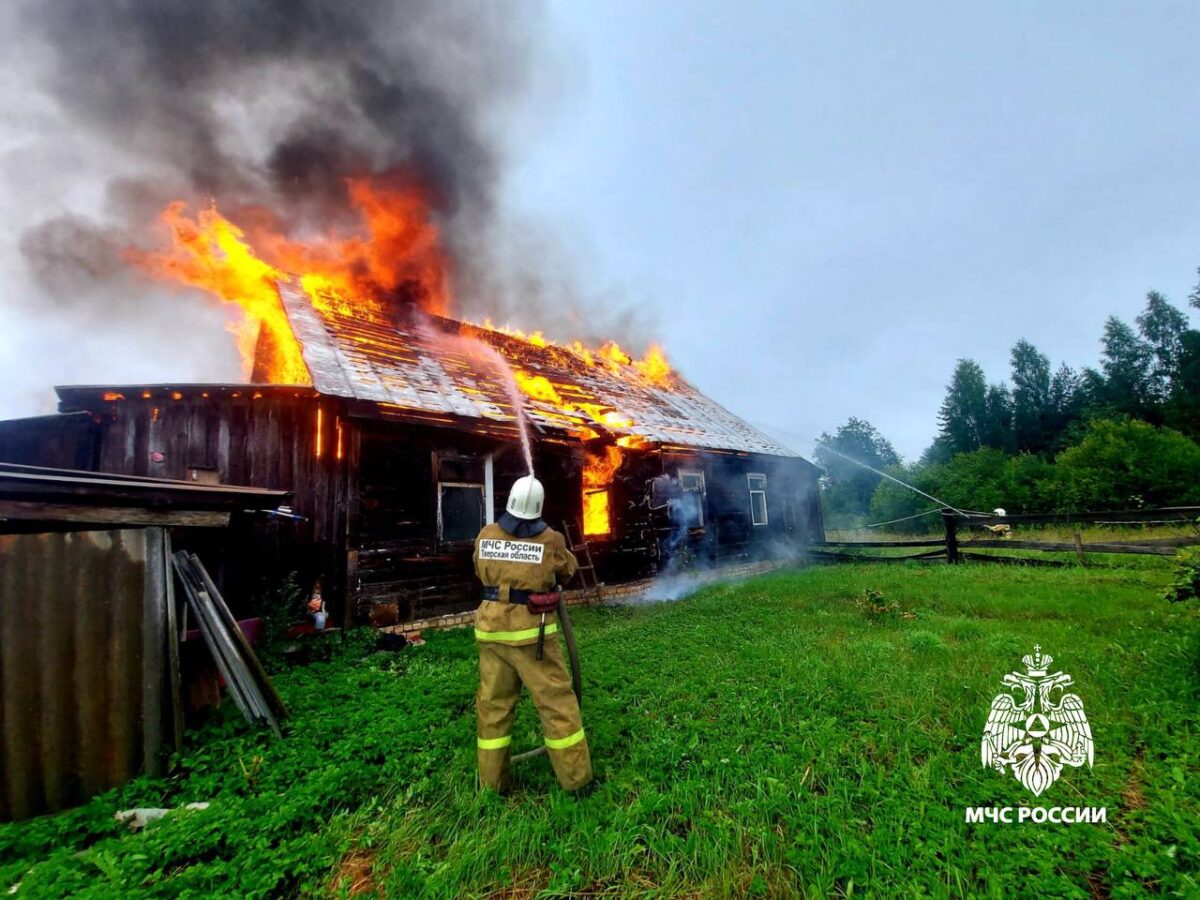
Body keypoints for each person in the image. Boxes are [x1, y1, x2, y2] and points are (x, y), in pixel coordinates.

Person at [472, 474, 593, 793]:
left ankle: (491, 784)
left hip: (490, 633)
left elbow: (479, 569)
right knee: (557, 705)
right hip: (530, 638)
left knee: (493, 707)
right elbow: (567, 570)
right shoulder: (550, 539)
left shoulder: (486, 535)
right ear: (538, 508)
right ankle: (577, 781)